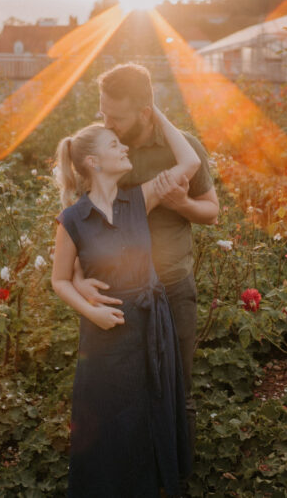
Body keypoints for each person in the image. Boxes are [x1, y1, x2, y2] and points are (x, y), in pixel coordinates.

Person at [51, 106, 200, 497]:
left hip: (154, 325)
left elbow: (190, 160)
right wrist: (92, 312)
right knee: (111, 420)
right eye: (114, 145)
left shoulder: (141, 199)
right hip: (105, 333)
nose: (124, 148)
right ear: (92, 162)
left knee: (154, 410)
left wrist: (154, 112)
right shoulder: (72, 219)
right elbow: (60, 279)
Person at [75, 63, 219, 466]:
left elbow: (212, 212)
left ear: (144, 112)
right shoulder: (102, 149)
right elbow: (77, 221)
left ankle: (177, 479)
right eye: (102, 113)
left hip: (172, 288)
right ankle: (134, 475)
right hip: (121, 291)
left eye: (115, 116)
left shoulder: (180, 146)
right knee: (124, 392)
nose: (106, 123)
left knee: (177, 389)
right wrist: (78, 280)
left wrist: (183, 205)